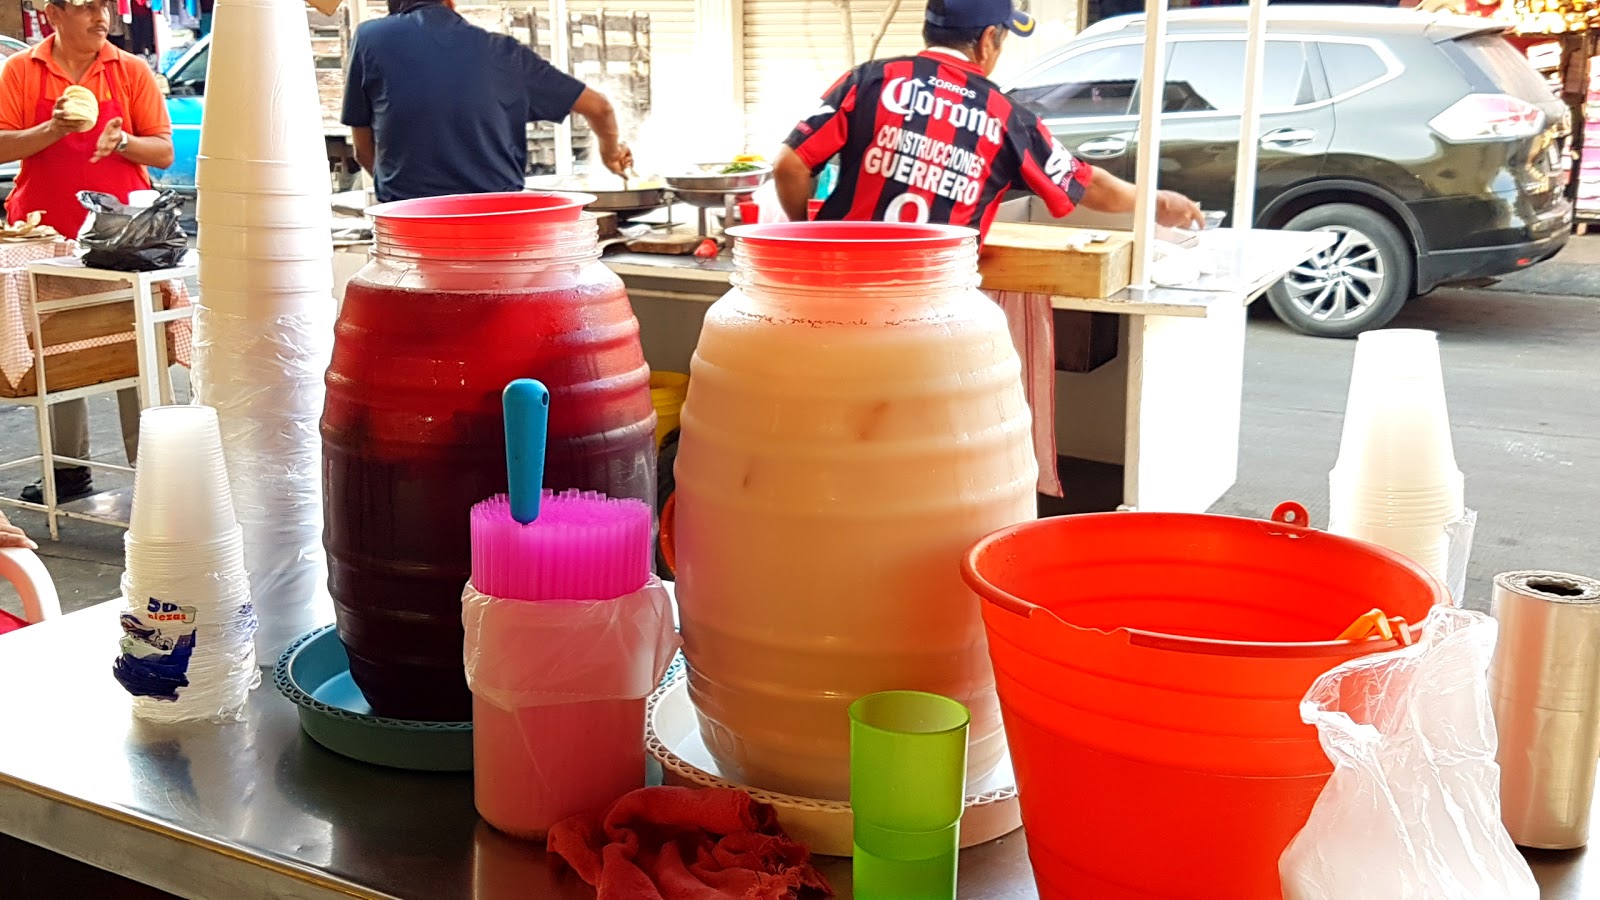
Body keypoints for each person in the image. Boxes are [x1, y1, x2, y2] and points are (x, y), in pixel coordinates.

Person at [773, 0, 1203, 238]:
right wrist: (1160, 202)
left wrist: (804, 233)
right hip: (934, 304)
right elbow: (1087, 185)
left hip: (836, 282)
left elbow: (789, 166)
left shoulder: (869, 79)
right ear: (987, 39)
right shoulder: (1006, 116)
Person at [0, 0, 174, 504]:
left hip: (124, 237)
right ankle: (67, 469)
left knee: (133, 348)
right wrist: (53, 129)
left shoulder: (130, 70)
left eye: (105, 8)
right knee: (57, 349)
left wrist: (122, 143)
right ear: (53, 14)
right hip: (45, 232)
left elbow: (163, 151)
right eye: (87, 8)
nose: (103, 18)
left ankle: (153, 471)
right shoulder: (22, 70)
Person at [342, 0, 635, 204]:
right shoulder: (504, 53)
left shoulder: (370, 38)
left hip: (409, 224)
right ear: (450, 3)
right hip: (496, 222)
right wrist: (610, 153)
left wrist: (404, 197)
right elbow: (600, 108)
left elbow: (363, 151)